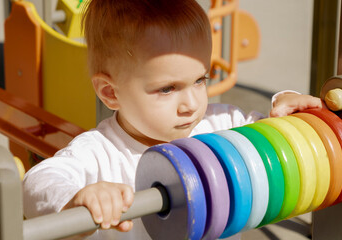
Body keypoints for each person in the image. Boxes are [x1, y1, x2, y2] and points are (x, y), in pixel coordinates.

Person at [22, 0, 323, 239]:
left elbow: (268, 133)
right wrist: (76, 199)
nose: (191, 105)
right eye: (167, 89)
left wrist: (284, 105)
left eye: (199, 80)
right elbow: (37, 182)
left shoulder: (219, 126)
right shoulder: (100, 152)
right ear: (110, 93)